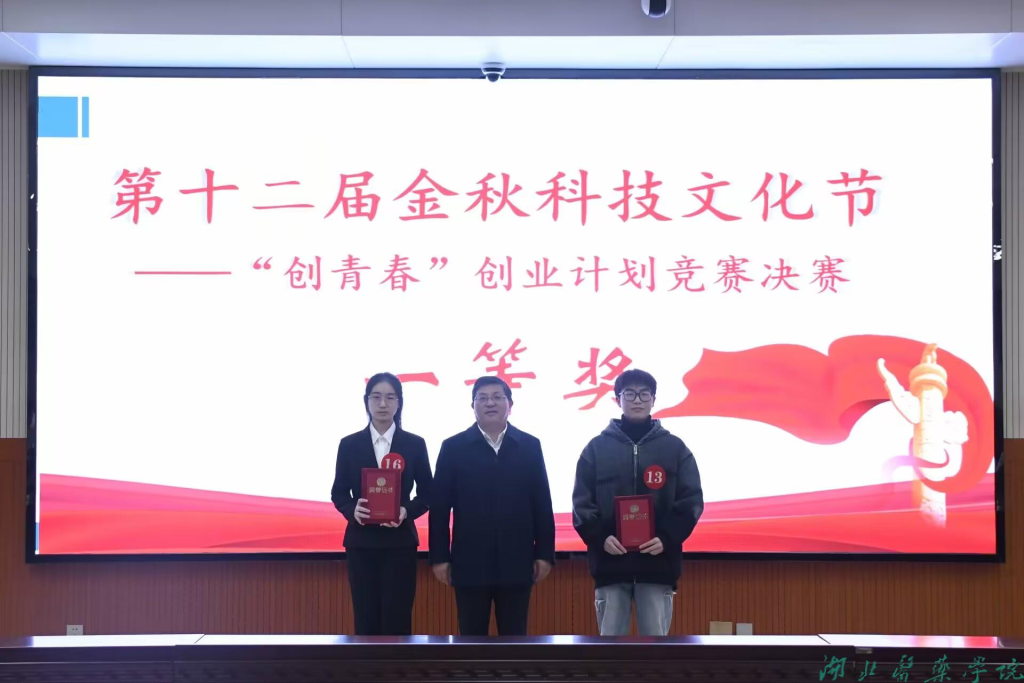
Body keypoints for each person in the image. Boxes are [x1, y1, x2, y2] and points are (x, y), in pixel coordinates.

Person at [571, 369, 704, 636]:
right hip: (610, 564)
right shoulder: (596, 449)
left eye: (644, 394)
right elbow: (581, 503)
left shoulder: (675, 448)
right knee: (610, 649)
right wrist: (600, 538)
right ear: (617, 399)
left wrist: (667, 538)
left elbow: (691, 501)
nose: (637, 400)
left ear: (654, 400)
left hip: (658, 564)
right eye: (629, 394)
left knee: (656, 649)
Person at [428, 376, 555, 636]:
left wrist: (544, 553)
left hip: (517, 560)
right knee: (470, 641)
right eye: (482, 398)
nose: (490, 403)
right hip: (469, 562)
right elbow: (439, 509)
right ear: (472, 405)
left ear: (510, 404)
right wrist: (439, 558)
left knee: (516, 639)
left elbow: (542, 503)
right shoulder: (453, 448)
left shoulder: (529, 446)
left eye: (498, 397)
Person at [331, 372, 433, 636]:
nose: (383, 404)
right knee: (365, 619)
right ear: (366, 401)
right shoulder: (349, 444)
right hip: (361, 543)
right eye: (376, 397)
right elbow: (339, 493)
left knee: (397, 619)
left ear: (399, 402)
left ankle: (398, 665)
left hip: (400, 544)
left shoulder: (414, 444)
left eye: (390, 397)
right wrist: (352, 510)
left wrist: (405, 511)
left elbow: (428, 493)